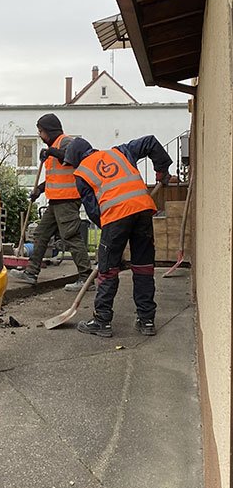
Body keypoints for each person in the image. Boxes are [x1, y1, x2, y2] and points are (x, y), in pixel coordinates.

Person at [62, 135, 172, 338]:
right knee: (143, 267)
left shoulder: (82, 173)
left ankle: (102, 321)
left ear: (76, 158)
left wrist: (111, 245)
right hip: (143, 209)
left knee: (107, 270)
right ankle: (147, 321)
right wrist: (162, 170)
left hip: (115, 217)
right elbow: (150, 142)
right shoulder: (120, 151)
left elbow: (94, 211)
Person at [17, 113, 93, 291]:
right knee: (41, 234)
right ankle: (31, 273)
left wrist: (51, 152)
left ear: (49, 131)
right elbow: (55, 178)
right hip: (56, 201)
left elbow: (70, 157)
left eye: (41, 131)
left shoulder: (66, 142)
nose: (40, 135)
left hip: (67, 200)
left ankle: (86, 278)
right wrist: (40, 189)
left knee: (71, 237)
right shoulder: (52, 148)